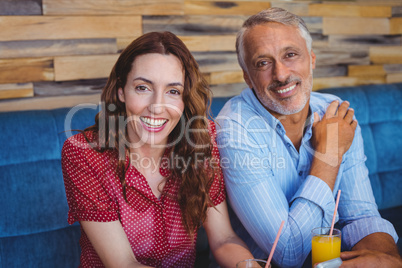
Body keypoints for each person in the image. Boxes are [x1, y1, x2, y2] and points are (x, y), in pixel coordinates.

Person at [215, 7, 401, 268]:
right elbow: (288, 252)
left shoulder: (335, 111)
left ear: (311, 59)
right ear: (247, 77)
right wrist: (329, 156)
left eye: (290, 55)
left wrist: (387, 257)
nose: (280, 74)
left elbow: (361, 214)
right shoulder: (234, 128)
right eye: (263, 63)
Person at [61, 31, 254, 268]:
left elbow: (224, 238)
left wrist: (249, 265)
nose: (156, 107)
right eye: (143, 88)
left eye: (173, 91)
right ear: (121, 91)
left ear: (184, 100)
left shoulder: (202, 142)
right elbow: (123, 263)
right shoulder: (84, 153)